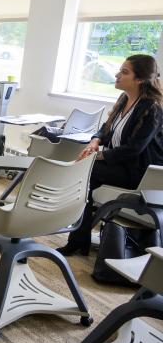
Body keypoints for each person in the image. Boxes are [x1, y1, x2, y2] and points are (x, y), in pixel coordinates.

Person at [58, 54, 163, 256]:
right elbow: (105, 130)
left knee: (83, 171)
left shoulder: (153, 108)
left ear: (140, 79)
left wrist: (98, 156)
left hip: (140, 173)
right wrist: (95, 142)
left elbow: (134, 149)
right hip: (121, 166)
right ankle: (78, 239)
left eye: (124, 72)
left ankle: (78, 240)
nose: (117, 75)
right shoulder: (125, 99)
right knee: (83, 180)